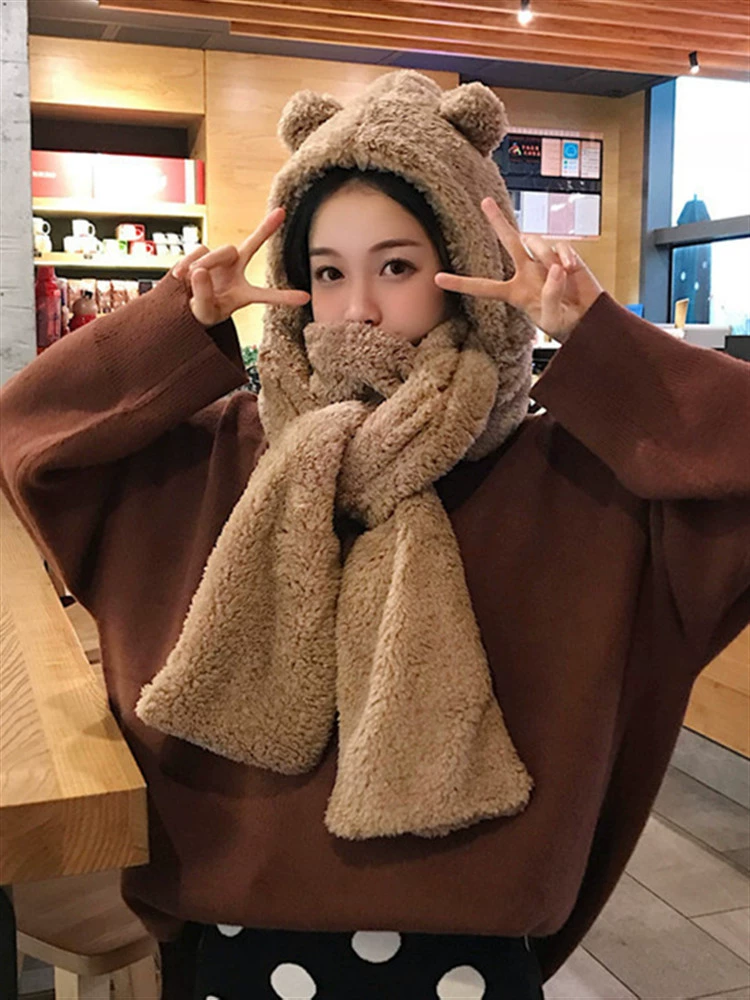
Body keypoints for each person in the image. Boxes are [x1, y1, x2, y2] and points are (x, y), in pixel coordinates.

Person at [1, 70, 748, 1000]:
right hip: (229, 951)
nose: (356, 307)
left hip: (477, 956)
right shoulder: (222, 460)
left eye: (396, 267)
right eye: (326, 272)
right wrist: (175, 323)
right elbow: (28, 441)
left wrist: (599, 340)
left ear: (466, 270)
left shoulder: (571, 481)